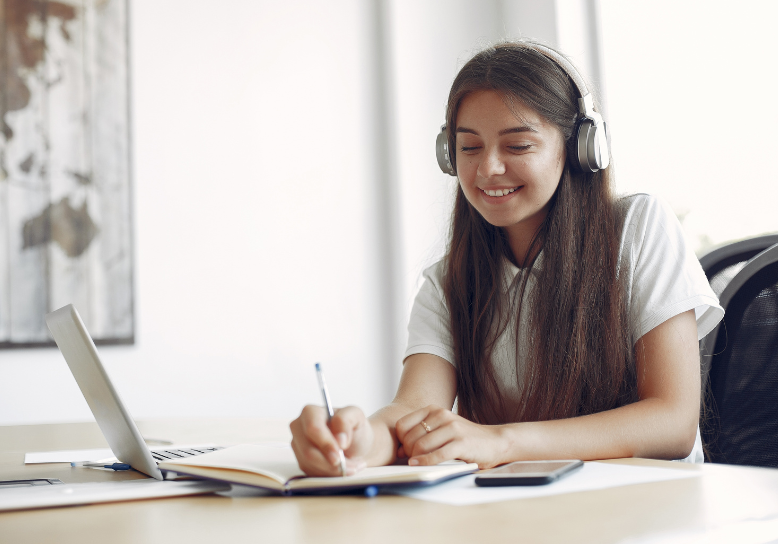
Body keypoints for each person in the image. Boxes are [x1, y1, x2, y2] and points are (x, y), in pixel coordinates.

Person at [290, 41, 723, 476]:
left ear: (580, 149)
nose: (487, 169)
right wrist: (359, 441)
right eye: (469, 147)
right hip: (526, 506)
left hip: (648, 503)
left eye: (517, 146)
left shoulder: (638, 229)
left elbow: (673, 422)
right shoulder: (449, 281)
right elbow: (413, 411)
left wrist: (501, 441)